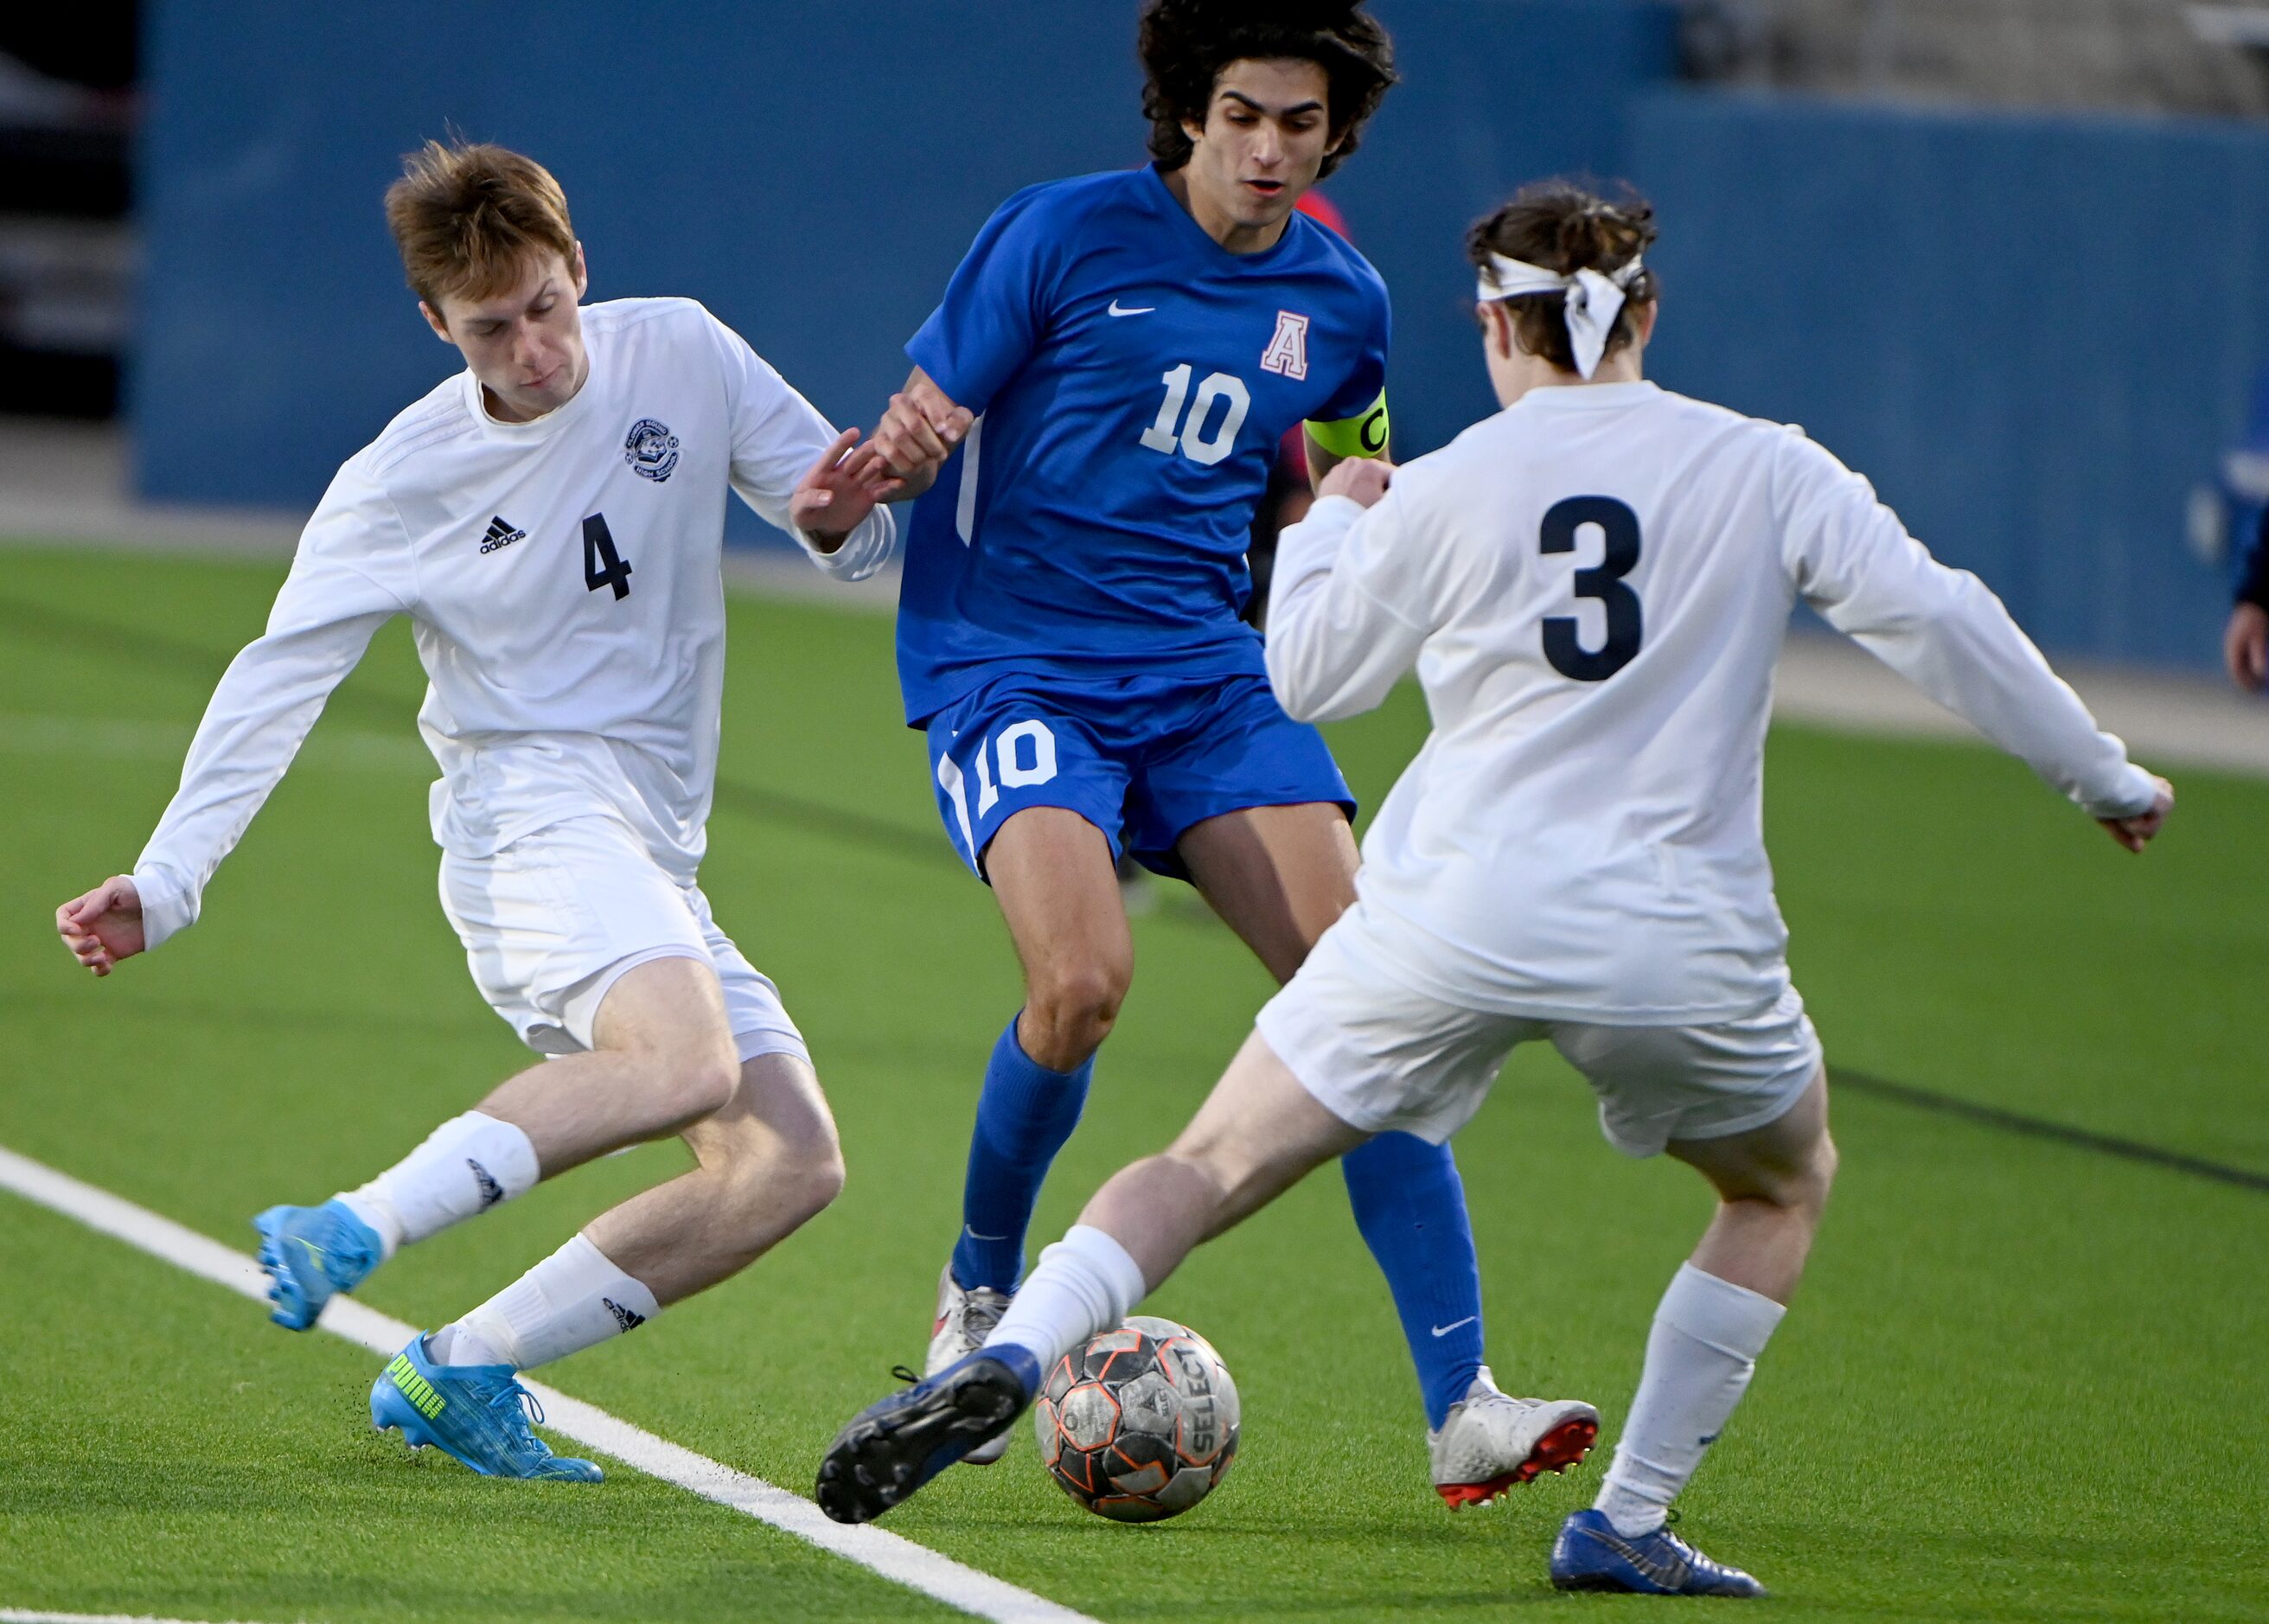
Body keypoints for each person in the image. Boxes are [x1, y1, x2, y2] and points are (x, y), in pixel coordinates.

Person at [814, 178, 2176, 1592]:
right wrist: (2104, 777)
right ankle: (1626, 1517)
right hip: (1678, 939)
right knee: (1780, 1185)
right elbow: (1935, 612)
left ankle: (1017, 1347)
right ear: (1645, 310)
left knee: (1206, 1164)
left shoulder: (1455, 478)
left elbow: (1309, 674)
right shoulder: (1767, 465)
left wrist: (1333, 526)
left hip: (1452, 917)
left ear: (1492, 323)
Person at [54, 140, 936, 1482]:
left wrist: (832, 523)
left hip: (649, 842)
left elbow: (861, 533)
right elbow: (276, 676)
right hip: (526, 823)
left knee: (786, 1164)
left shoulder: (685, 352)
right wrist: (167, 880)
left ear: (579, 267)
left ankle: (457, 1366)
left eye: (545, 305)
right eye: (489, 328)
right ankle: (349, 1221)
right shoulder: (403, 477)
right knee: (692, 1067)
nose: (532, 348)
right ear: (435, 324)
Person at [854, 0, 1588, 1501]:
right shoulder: (1056, 237)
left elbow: (1325, 478)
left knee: (1374, 994)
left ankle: (1464, 1405)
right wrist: (884, 466)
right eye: (1242, 114)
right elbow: (921, 422)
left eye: (1299, 125)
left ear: (1336, 134)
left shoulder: (1344, 298)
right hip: (1017, 662)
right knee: (1079, 985)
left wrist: (1353, 539)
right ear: (1189, 110)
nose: (1267, 148)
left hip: (1207, 673)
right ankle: (978, 1295)